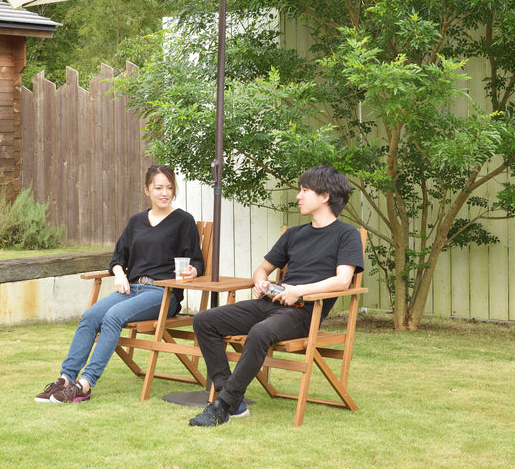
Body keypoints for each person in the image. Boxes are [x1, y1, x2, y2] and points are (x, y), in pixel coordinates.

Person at [188, 164, 364, 426]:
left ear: (325, 195)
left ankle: (222, 406)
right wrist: (260, 281)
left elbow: (343, 281)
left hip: (304, 311)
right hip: (269, 302)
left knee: (260, 332)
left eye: (304, 190)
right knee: (204, 320)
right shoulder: (294, 234)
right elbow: (263, 269)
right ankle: (230, 397)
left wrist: (299, 291)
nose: (298, 196)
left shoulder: (346, 234)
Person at [34, 164, 205, 404]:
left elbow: (198, 262)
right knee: (91, 316)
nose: (164, 193)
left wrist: (191, 270)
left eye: (169, 187)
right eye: (158, 187)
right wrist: (120, 274)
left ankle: (85, 385)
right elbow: (117, 258)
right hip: (131, 288)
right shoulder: (136, 222)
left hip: (163, 293)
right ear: (147, 190)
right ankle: (65, 379)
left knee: (113, 316)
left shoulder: (183, 221)